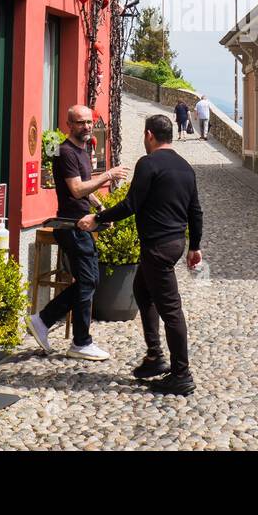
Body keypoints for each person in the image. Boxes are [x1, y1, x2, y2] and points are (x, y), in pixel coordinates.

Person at [81, 113, 203, 396]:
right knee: (142, 290)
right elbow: (195, 211)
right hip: (174, 243)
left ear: (149, 135)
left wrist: (97, 219)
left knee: (171, 310)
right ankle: (154, 358)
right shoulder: (186, 167)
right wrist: (194, 246)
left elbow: (131, 204)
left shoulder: (148, 164)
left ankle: (181, 374)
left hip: (158, 247)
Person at [27, 105, 128, 360]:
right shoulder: (66, 152)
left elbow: (85, 189)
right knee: (88, 280)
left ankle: (45, 323)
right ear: (69, 124)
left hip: (84, 222)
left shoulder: (82, 151)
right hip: (72, 226)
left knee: (88, 281)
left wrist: (101, 209)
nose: (86, 126)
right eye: (80, 122)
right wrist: (107, 175)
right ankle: (78, 340)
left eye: (88, 122)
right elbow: (76, 189)